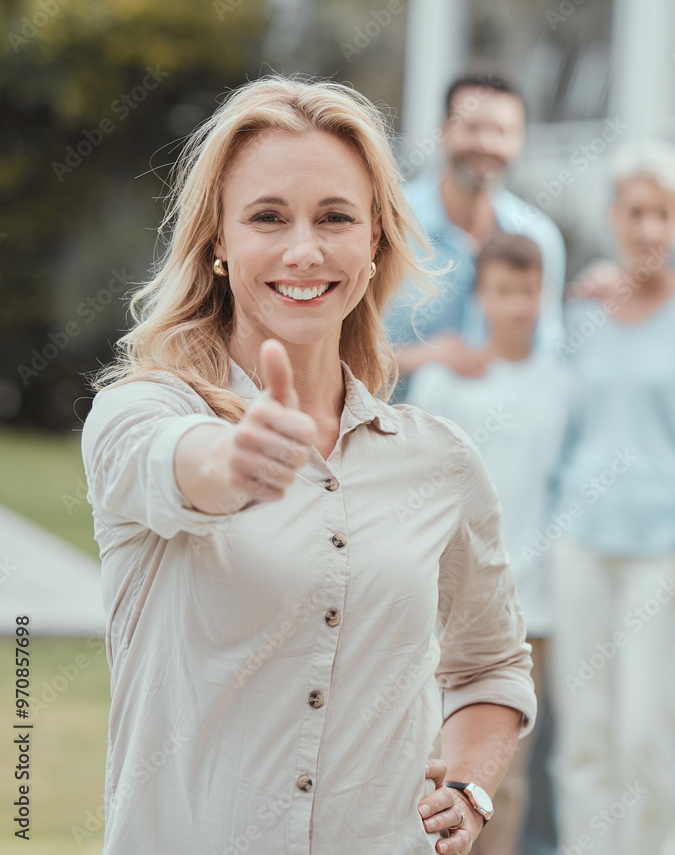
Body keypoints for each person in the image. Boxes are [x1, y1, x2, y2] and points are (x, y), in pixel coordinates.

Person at [80, 76, 536, 855]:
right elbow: (174, 465)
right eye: (266, 217)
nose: (303, 250)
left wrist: (469, 783)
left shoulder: (441, 461)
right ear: (217, 241)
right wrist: (234, 460)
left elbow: (492, 663)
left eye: (335, 218)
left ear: (376, 241)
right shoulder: (142, 412)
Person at [549, 141, 675, 855]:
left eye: (664, 214)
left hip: (666, 553)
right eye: (636, 212)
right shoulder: (586, 312)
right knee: (587, 737)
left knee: (648, 735)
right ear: (613, 216)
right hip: (578, 542)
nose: (650, 229)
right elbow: (561, 427)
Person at [407, 233, 571, 855]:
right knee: (431, 764)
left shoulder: (563, 385)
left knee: (505, 777)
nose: (517, 306)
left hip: (533, 606)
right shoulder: (448, 386)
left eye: (528, 291)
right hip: (442, 610)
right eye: (502, 291)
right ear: (481, 296)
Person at [386, 72, 566, 386]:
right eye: (472, 128)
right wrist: (422, 358)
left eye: (501, 131)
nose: (485, 144)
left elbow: (548, 352)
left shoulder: (539, 238)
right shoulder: (390, 221)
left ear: (520, 140)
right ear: (444, 132)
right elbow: (341, 348)